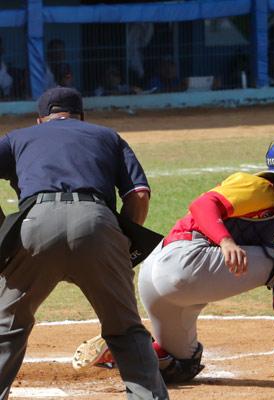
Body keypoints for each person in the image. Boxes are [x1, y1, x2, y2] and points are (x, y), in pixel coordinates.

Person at [72, 134, 274, 389]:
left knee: (183, 365)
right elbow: (203, 204)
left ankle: (122, 350)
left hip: (163, 278)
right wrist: (225, 240)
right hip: (184, 260)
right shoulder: (263, 186)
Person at [0, 87, 169, 399]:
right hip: (97, 224)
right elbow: (139, 195)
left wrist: (2, 233)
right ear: (81, 117)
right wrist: (121, 242)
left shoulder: (17, 138)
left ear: (40, 120)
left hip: (35, 226)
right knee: (126, 330)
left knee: (6, 328)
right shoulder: (107, 136)